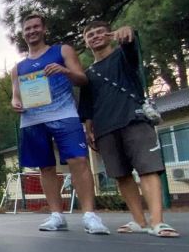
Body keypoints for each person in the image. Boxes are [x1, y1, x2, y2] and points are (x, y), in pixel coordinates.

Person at [10, 13, 109, 234]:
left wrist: (65, 71)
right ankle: (56, 215)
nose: (32, 31)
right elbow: (16, 96)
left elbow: (82, 79)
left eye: (36, 27)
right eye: (27, 28)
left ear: (44, 29)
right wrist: (15, 102)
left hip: (64, 114)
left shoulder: (62, 51)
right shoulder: (18, 67)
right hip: (33, 120)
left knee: (78, 161)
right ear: (23, 33)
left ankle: (90, 215)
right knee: (45, 167)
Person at [79, 22, 179, 237]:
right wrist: (89, 130)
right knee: (121, 174)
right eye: (90, 35)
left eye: (99, 32)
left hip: (134, 119)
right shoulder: (88, 74)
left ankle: (158, 222)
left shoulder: (123, 56)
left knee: (148, 168)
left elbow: (130, 44)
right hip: (105, 128)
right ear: (86, 43)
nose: (95, 36)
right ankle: (139, 221)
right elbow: (87, 107)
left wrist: (127, 33)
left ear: (109, 34)